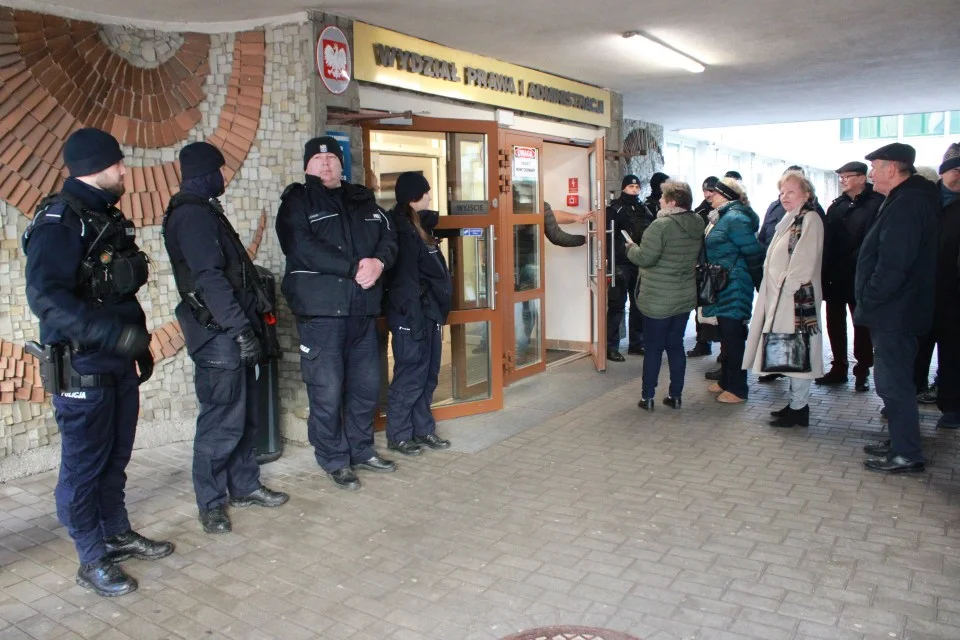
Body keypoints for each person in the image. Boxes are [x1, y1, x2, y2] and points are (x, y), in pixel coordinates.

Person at [22, 128, 172, 597]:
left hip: (116, 362)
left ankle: (116, 531)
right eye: (118, 164)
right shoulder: (58, 222)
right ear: (95, 166)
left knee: (115, 457)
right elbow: (46, 298)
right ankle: (91, 555)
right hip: (83, 365)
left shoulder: (102, 217)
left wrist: (138, 343)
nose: (125, 171)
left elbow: (116, 294)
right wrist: (113, 335)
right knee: (83, 466)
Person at [162, 142, 289, 534]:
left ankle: (245, 485)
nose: (225, 176)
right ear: (206, 172)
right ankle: (212, 502)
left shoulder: (203, 210)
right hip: (218, 335)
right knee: (221, 420)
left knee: (243, 415)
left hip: (228, 332)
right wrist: (239, 330)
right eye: (220, 169)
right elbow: (210, 280)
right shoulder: (192, 216)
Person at [276, 136, 399, 490]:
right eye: (318, 158)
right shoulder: (298, 202)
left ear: (342, 165)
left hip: (363, 312)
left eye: (332, 158)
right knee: (327, 390)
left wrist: (379, 262)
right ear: (307, 166)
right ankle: (334, 459)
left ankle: (362, 451)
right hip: (322, 314)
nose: (326, 164)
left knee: (365, 387)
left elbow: (388, 238)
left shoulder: (363, 200)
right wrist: (353, 267)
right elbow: (300, 247)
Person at [858, 143, 938, 474]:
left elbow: (894, 263)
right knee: (896, 380)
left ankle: (908, 453)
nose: (871, 173)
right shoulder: (906, 199)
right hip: (897, 308)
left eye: (875, 167)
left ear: (892, 168)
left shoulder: (908, 203)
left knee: (895, 383)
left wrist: (872, 297)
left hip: (895, 310)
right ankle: (900, 442)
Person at [744, 173, 825, 427]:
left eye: (791, 192)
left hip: (795, 300)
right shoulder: (792, 219)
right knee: (789, 352)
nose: (784, 197)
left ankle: (799, 407)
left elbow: (803, 261)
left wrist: (785, 289)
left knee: (797, 352)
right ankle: (796, 404)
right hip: (782, 298)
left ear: (806, 194)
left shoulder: (810, 219)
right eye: (782, 193)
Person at [383, 172, 453, 455]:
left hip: (428, 315)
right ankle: (398, 435)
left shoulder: (419, 227)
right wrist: (413, 321)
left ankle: (423, 430)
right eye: (427, 193)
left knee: (427, 376)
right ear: (415, 196)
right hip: (412, 318)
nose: (431, 198)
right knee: (410, 376)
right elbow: (404, 282)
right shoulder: (401, 230)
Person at [626, 181, 704, 410]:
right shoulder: (697, 222)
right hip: (683, 297)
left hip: (658, 298)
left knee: (653, 348)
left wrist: (630, 247)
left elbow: (645, 258)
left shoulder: (660, 226)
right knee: (675, 345)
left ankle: (647, 397)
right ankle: (675, 395)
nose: (658, 200)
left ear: (671, 202)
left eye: (662, 197)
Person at [818, 161, 883, 390]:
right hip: (835, 274)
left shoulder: (876, 203)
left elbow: (873, 241)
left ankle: (862, 370)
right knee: (834, 322)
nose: (842, 180)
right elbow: (827, 240)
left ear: (862, 177)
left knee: (861, 324)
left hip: (859, 275)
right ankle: (838, 367)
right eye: (841, 177)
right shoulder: (837, 205)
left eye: (847, 176)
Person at [701, 178, 764, 403]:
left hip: (735, 283)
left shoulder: (735, 218)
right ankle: (727, 380)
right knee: (727, 336)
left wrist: (760, 285)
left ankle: (738, 388)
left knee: (734, 336)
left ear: (726, 195)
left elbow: (753, 253)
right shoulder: (723, 216)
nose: (708, 196)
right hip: (722, 283)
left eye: (713, 193)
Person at [606, 174, 655, 361]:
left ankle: (636, 344)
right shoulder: (615, 209)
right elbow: (608, 237)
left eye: (637, 187)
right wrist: (610, 262)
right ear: (623, 188)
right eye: (631, 187)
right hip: (620, 263)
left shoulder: (644, 208)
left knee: (638, 306)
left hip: (639, 262)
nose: (634, 190)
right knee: (617, 306)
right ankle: (611, 347)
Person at [931, 143, 960, 429]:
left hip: (953, 294)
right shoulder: (926, 199)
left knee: (952, 351)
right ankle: (904, 401)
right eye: (955, 169)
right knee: (915, 348)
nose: (959, 174)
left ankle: (952, 405)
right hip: (922, 290)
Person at [688, 176, 720, 358]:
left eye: (711, 190)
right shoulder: (699, 211)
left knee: (718, 309)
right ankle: (703, 342)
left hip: (718, 267)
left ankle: (722, 350)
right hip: (701, 264)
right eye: (705, 190)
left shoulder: (724, 212)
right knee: (700, 305)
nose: (708, 194)